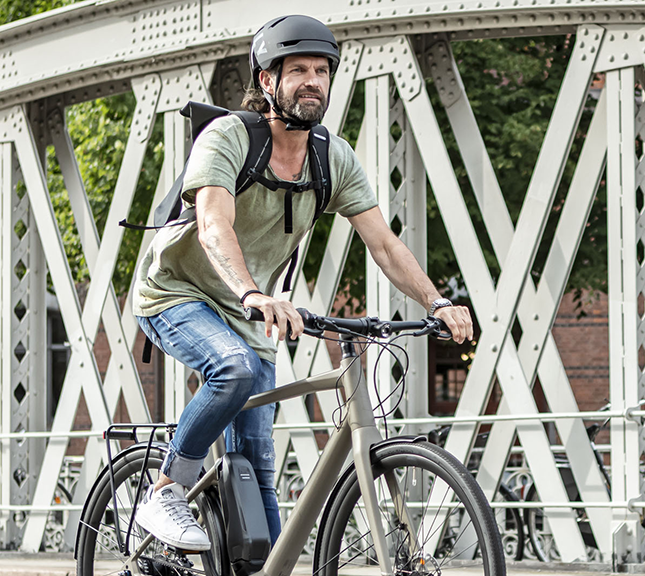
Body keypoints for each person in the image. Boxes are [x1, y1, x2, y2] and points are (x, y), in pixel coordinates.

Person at [128, 14, 475, 551]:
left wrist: (437, 300)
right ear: (267, 80)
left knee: (258, 466)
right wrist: (253, 293)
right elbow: (213, 224)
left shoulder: (331, 157)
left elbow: (384, 244)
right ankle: (167, 489)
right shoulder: (227, 138)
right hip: (176, 293)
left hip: (249, 314)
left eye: (322, 70)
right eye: (298, 71)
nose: (314, 81)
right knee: (233, 368)